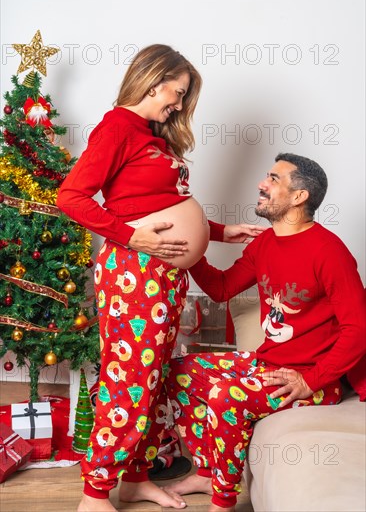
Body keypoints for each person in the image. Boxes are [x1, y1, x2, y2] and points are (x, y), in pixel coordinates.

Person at [56, 44, 264, 512]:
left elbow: (156, 208)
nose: (179, 104)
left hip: (163, 276)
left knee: (150, 380)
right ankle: (95, 494)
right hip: (135, 275)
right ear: (153, 77)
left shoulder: (153, 135)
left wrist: (219, 231)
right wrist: (133, 239)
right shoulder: (116, 129)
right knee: (128, 380)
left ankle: (133, 480)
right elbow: (71, 197)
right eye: (178, 92)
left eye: (185, 97)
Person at [164, 153, 366, 512]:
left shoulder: (330, 252)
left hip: (311, 380)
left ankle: (223, 502)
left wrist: (311, 381)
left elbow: (359, 328)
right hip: (265, 363)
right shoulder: (265, 243)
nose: (262, 184)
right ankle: (208, 474)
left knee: (227, 395)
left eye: (274, 179)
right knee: (176, 372)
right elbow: (223, 289)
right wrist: (190, 251)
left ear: (299, 197)